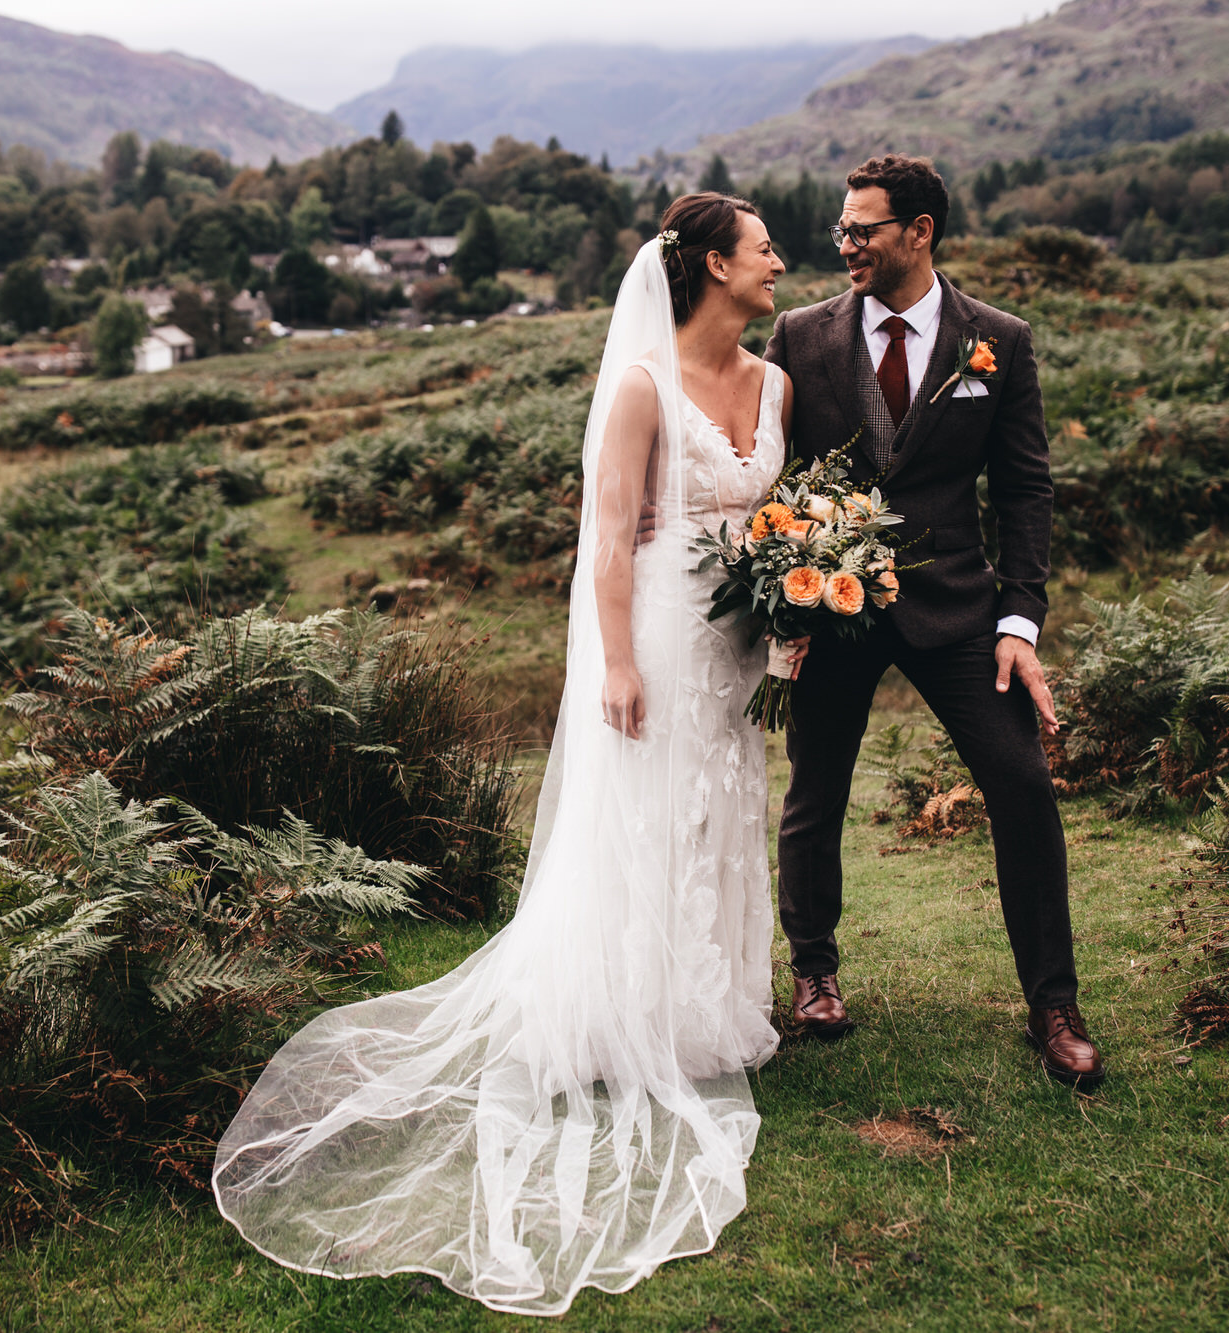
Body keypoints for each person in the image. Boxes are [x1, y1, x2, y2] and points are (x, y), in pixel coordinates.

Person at [212, 193, 794, 1316]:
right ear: (715, 264)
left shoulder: (776, 383)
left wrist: (792, 615)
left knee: (721, 807)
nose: (781, 262)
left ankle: (703, 1009)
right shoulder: (639, 386)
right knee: (648, 807)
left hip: (735, 644)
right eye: (764, 249)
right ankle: (615, 1012)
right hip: (661, 636)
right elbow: (609, 535)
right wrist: (614, 662)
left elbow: (779, 523)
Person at [764, 154, 1105, 1087]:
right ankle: (815, 970)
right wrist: (778, 582)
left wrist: (1020, 620)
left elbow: (1027, 489)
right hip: (829, 607)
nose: (846, 245)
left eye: (862, 229)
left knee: (1021, 784)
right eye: (842, 228)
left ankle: (1054, 1004)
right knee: (816, 789)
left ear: (919, 232)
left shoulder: (999, 339)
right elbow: (770, 470)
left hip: (959, 608)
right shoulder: (799, 335)